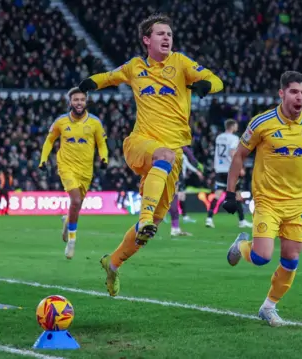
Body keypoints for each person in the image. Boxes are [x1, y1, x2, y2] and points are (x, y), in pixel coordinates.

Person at [77, 13, 223, 296]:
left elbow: (214, 78)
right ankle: (144, 218)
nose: (167, 37)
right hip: (140, 143)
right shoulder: (135, 67)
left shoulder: (181, 63)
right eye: (160, 34)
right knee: (163, 161)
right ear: (147, 40)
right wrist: (88, 84)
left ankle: (113, 263)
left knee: (155, 222)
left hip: (171, 157)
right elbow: (109, 77)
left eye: (169, 33)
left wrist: (207, 85)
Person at [222, 71, 302, 327]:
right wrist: (229, 192)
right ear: (282, 94)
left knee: (291, 260)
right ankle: (240, 246)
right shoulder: (262, 122)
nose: (299, 97)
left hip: (297, 204)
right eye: (294, 91)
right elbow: (239, 155)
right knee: (261, 257)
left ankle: (269, 307)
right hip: (268, 201)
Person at [38, 87, 109, 259]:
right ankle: (72, 242)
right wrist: (43, 159)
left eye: (82, 100)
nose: (79, 103)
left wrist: (104, 158)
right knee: (76, 200)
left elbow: (101, 143)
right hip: (66, 166)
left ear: (86, 101)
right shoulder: (61, 121)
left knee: (76, 206)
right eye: (75, 100)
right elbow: (49, 141)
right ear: (70, 102)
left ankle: (66, 221)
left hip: (86, 170)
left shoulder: (95, 122)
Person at [205, 119, 252, 229]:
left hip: (219, 169)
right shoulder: (234, 138)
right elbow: (232, 153)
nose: (237, 127)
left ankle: (209, 219)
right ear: (232, 126)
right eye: (236, 125)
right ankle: (242, 221)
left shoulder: (219, 137)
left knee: (217, 194)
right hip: (230, 170)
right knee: (238, 195)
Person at [169, 146, 204, 236]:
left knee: (177, 198)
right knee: (175, 198)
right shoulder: (177, 151)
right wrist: (195, 164)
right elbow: (188, 152)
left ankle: (176, 226)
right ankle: (175, 226)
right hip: (174, 176)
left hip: (174, 176)